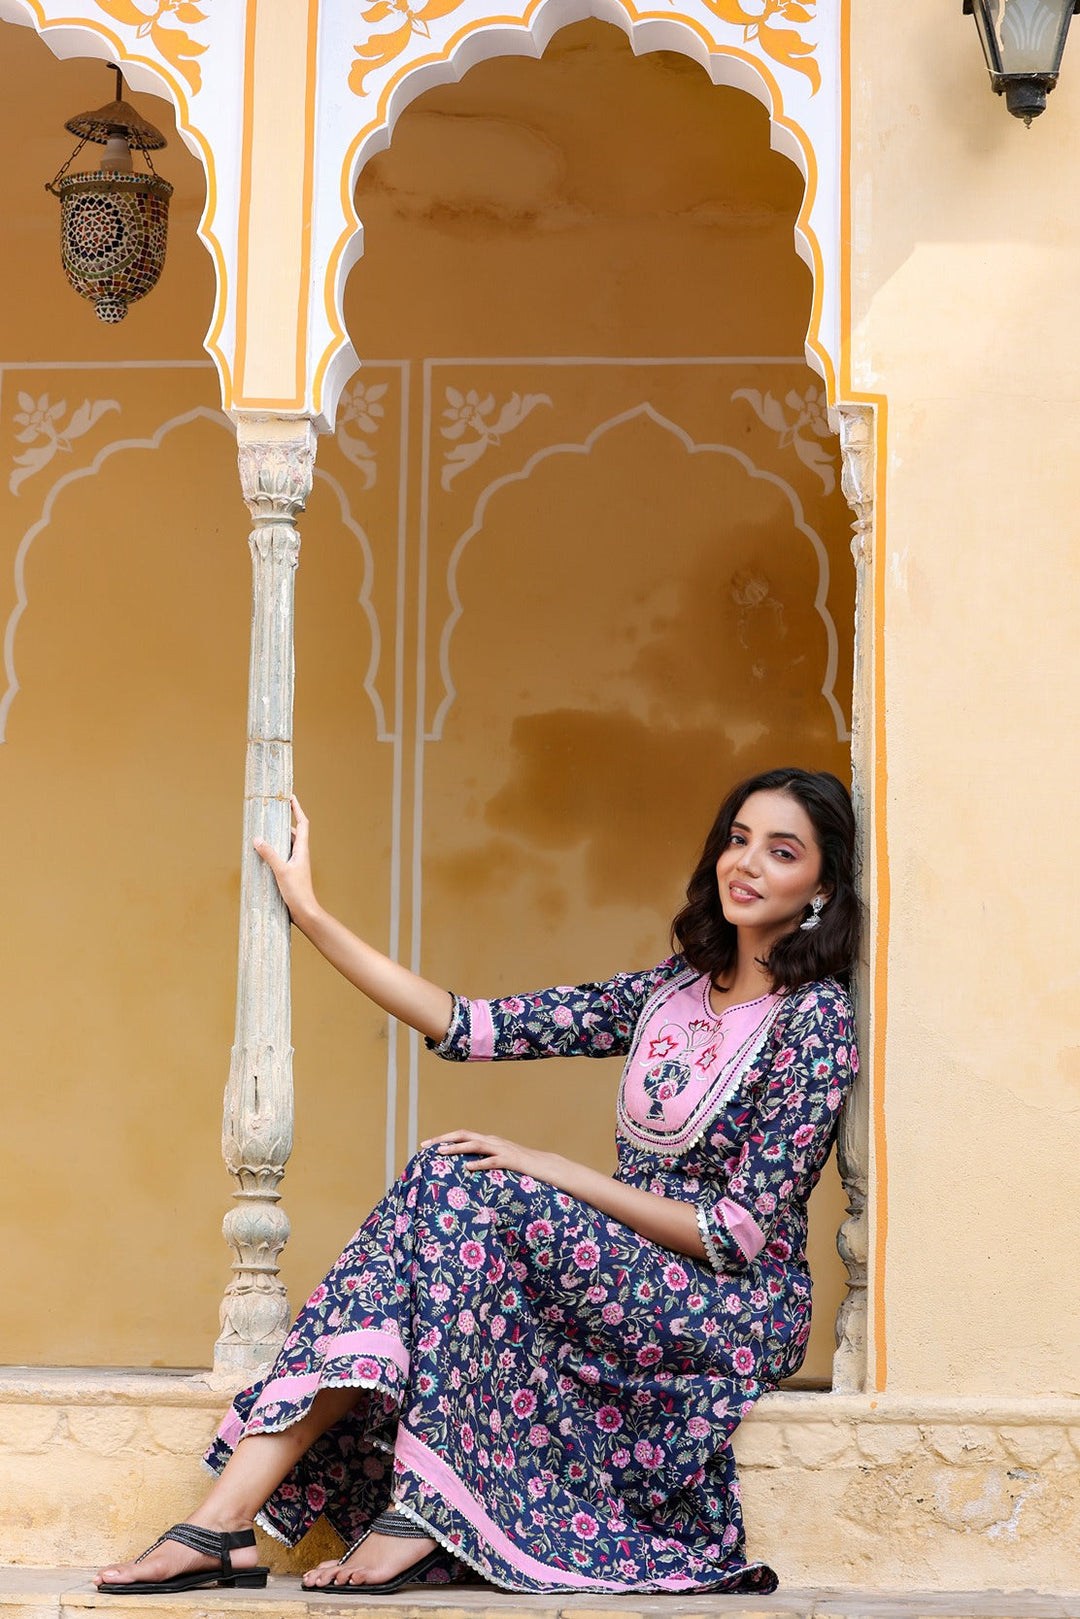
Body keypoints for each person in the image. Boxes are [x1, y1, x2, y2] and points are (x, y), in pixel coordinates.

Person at [95, 765, 860, 1598]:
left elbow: (734, 1232)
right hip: (618, 1272)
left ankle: (397, 1513)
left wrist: (560, 1171)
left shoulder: (813, 1019)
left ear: (821, 886)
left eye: (781, 852)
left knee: (467, 1182)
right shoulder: (669, 992)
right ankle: (225, 1522)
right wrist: (310, 913)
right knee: (443, 1175)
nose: (746, 863)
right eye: (738, 839)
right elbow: (470, 1025)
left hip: (731, 1303)